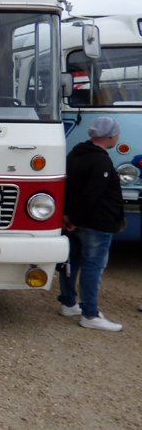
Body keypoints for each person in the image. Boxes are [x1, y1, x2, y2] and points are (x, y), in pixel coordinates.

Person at [57, 116, 126, 331]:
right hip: (96, 223)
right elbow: (92, 195)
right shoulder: (101, 160)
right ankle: (90, 314)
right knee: (93, 267)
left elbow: (65, 184)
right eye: (117, 133)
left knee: (72, 262)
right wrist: (75, 218)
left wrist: (68, 216)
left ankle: (68, 303)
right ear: (111, 136)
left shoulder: (76, 152)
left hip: (74, 220)